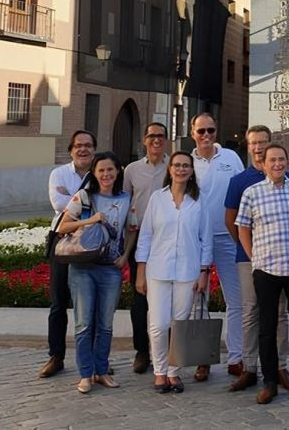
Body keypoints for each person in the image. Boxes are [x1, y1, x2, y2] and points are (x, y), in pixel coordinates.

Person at [236, 144, 289, 409]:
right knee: (267, 329)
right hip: (266, 270)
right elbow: (243, 229)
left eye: (282, 159)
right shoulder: (252, 193)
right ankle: (270, 383)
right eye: (272, 160)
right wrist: (254, 259)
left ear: (288, 161)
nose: (277, 164)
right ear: (263, 164)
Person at [224, 125, 289, 393]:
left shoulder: (286, 178)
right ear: (247, 145)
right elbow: (230, 221)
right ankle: (250, 367)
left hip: (280, 259)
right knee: (251, 310)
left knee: (279, 312)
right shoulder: (239, 181)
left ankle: (279, 366)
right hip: (248, 257)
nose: (258, 147)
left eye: (263, 142)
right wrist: (249, 248)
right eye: (253, 143)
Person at [57, 151, 135, 394]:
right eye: (101, 170)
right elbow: (63, 226)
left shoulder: (126, 198)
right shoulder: (84, 196)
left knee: (105, 324)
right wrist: (89, 221)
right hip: (82, 266)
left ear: (118, 171)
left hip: (110, 269)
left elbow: (131, 229)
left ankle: (101, 371)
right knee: (83, 324)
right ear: (94, 173)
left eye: (110, 170)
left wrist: (124, 256)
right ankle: (85, 374)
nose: (106, 174)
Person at [134, 151, 212, 394]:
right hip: (157, 270)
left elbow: (206, 239)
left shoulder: (199, 202)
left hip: (187, 272)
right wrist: (140, 271)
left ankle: (173, 372)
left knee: (179, 325)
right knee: (158, 324)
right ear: (170, 170)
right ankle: (159, 371)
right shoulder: (158, 199)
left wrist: (203, 272)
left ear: (191, 171)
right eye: (176, 165)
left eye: (185, 166)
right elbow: (145, 236)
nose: (180, 169)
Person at [190, 112, 246, 381]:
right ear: (193, 133)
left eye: (210, 130)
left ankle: (236, 357)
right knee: (199, 301)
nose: (206, 136)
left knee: (235, 300)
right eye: (201, 131)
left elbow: (242, 194)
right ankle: (203, 359)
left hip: (226, 237)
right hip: (196, 240)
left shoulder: (231, 158)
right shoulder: (186, 162)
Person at [40, 129, 96, 378]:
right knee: (58, 302)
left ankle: (92, 359)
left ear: (94, 149)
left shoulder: (101, 172)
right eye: (78, 146)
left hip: (91, 245)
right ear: (71, 150)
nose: (83, 149)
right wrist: (88, 206)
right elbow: (58, 204)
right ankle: (56, 356)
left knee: (89, 305)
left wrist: (72, 200)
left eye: (88, 145)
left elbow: (104, 203)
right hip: (62, 243)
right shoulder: (58, 174)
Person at [122, 122, 169, 374]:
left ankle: (166, 350)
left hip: (168, 238)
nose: (156, 141)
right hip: (139, 237)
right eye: (151, 136)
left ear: (166, 140)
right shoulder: (132, 170)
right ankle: (142, 351)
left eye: (160, 136)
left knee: (167, 297)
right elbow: (124, 202)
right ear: (144, 140)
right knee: (140, 296)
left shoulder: (175, 166)